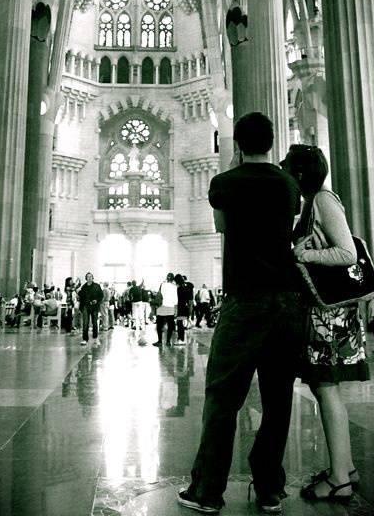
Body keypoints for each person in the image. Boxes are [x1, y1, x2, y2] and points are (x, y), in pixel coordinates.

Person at [179, 113, 304, 515]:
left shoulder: (225, 183)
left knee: (222, 397)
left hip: (245, 298)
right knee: (278, 398)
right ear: (272, 142)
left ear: (236, 144)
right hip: (286, 301)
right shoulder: (288, 184)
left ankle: (207, 491)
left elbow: (221, 226)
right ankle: (269, 489)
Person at [283, 144, 369, 505]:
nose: (284, 174)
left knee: (326, 389)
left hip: (330, 316)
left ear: (300, 174)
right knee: (324, 390)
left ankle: (339, 480)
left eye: (288, 169)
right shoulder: (311, 203)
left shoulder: (322, 200)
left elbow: (348, 252)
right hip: (322, 313)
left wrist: (305, 254)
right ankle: (345, 468)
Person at [78, 272, 103, 345]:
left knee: (94, 322)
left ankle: (95, 338)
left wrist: (97, 300)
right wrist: (78, 292)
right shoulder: (84, 287)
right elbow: (81, 297)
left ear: (93, 278)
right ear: (86, 278)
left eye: (90, 276)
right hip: (86, 306)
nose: (89, 278)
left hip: (94, 307)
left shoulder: (97, 286)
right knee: (85, 323)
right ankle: (85, 339)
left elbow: (101, 295)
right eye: (88, 277)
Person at [153, 273, 177, 347]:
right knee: (170, 325)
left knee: (159, 325)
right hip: (170, 307)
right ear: (173, 279)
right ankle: (168, 342)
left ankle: (160, 341)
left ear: (167, 278)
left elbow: (158, 294)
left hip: (161, 306)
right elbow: (176, 299)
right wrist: (175, 308)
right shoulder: (175, 287)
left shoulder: (162, 284)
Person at [174, 274, 191, 346]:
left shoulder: (179, 289)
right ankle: (181, 339)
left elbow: (177, 299)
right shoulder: (185, 288)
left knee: (180, 324)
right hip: (184, 307)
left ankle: (181, 339)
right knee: (180, 323)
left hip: (180, 308)